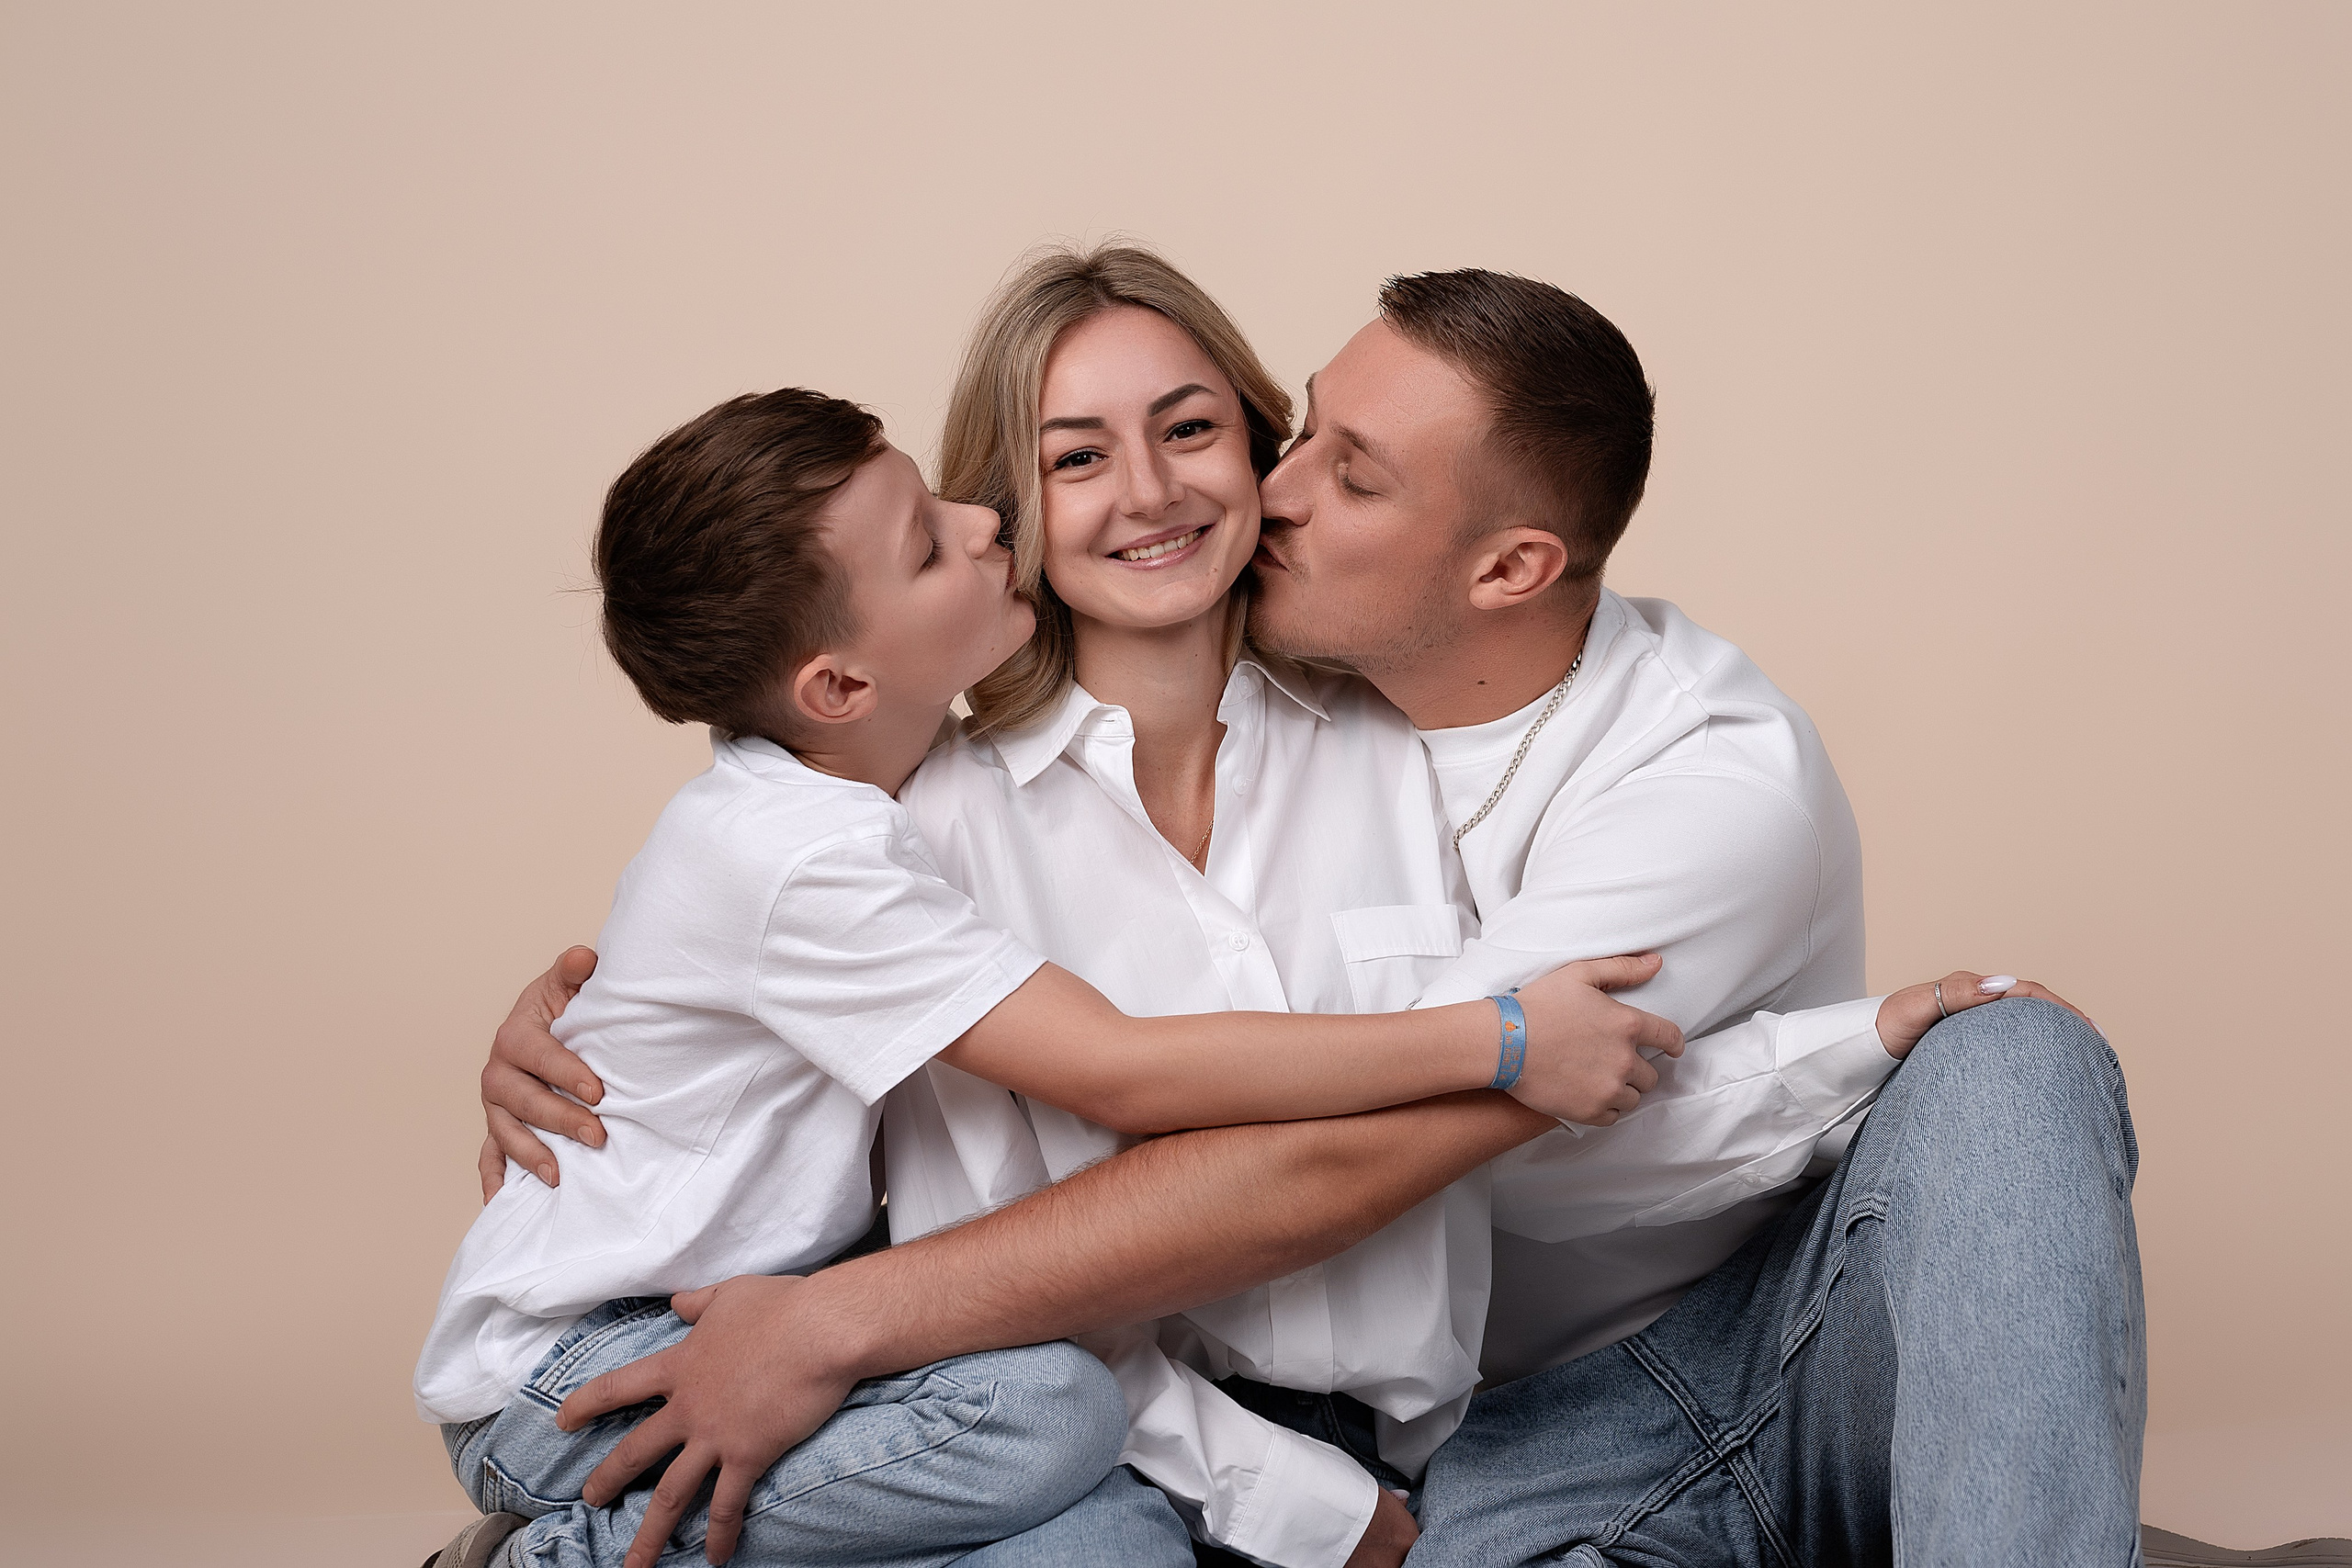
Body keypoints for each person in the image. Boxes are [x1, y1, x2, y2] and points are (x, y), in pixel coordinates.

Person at [479, 255, 2132, 1567]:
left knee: (2011, 1068)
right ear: (1006, 515)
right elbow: (828, 1025)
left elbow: (1498, 1118)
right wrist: (580, 1026)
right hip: (1267, 1453)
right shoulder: (929, 823)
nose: (1169, 493)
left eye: (1204, 431)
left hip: (1491, 1424)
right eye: (1073, 457)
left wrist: (1851, 1048)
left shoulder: (1404, 743)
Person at [417, 385, 1685, 1568]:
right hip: (596, 1357)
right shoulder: (818, 852)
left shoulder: (825, 816)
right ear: (842, 682)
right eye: (929, 543)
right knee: (1049, 1413)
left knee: (1069, 1466)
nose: (986, 523)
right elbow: (1122, 1068)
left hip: (738, 1317)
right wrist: (1506, 1041)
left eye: (1191, 430)